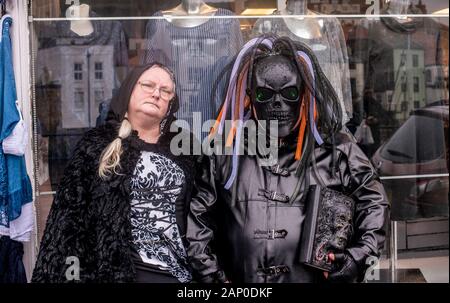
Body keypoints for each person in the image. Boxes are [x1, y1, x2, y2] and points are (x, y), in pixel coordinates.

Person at [186, 36, 389, 283]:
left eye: (289, 92)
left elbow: (373, 202)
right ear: (251, 96)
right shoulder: (226, 152)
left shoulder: (337, 148)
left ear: (304, 94)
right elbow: (199, 220)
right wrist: (212, 277)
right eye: (265, 94)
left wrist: (358, 257)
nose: (278, 103)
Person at [32, 63, 196, 283]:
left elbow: (204, 220)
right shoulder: (95, 145)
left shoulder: (186, 149)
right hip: (112, 274)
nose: (156, 93)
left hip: (177, 275)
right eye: (148, 85)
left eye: (165, 91)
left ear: (171, 103)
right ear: (129, 91)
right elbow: (66, 225)